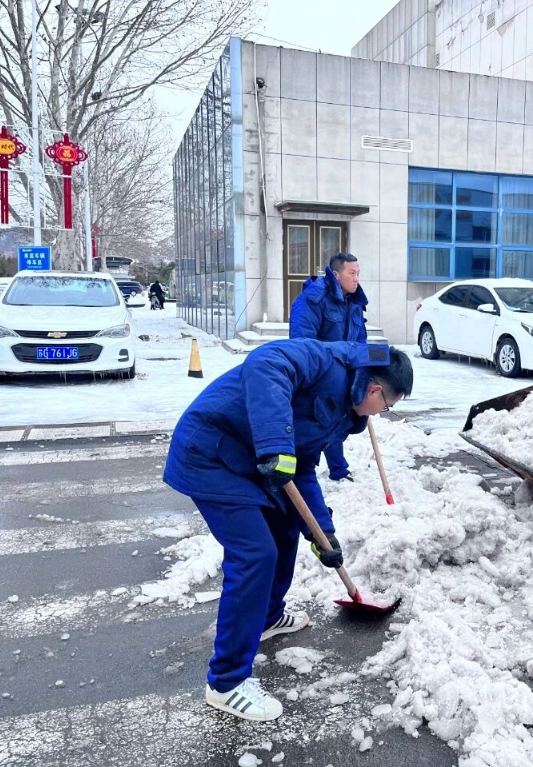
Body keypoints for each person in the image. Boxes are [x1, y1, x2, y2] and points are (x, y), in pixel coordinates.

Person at [163, 339, 412, 722]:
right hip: (211, 452)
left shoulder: (345, 411)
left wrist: (322, 533)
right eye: (387, 406)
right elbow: (265, 362)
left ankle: (267, 617)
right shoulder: (326, 363)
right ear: (375, 390)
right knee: (255, 554)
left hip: (249, 462)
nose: (382, 413)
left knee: (285, 529)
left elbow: (303, 467)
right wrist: (276, 444)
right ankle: (226, 682)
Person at [289, 253, 368, 482]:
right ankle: (306, 473)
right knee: (320, 420)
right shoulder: (313, 299)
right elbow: (302, 343)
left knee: (338, 420)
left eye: (358, 273)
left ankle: (337, 469)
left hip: (344, 373)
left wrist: (364, 367)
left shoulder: (355, 302)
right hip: (318, 374)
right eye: (351, 273)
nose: (356, 279)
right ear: (336, 274)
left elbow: (360, 341)